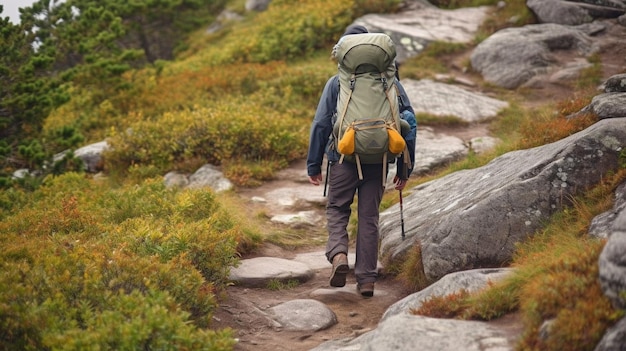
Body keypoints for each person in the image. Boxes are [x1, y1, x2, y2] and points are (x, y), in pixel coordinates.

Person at [306, 25, 417, 298]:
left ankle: (339, 256)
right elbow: (408, 125)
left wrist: (313, 164)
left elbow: (321, 124)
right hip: (378, 161)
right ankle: (366, 280)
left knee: (337, 208)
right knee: (369, 218)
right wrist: (404, 168)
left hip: (343, 157)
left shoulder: (337, 83)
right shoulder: (391, 83)